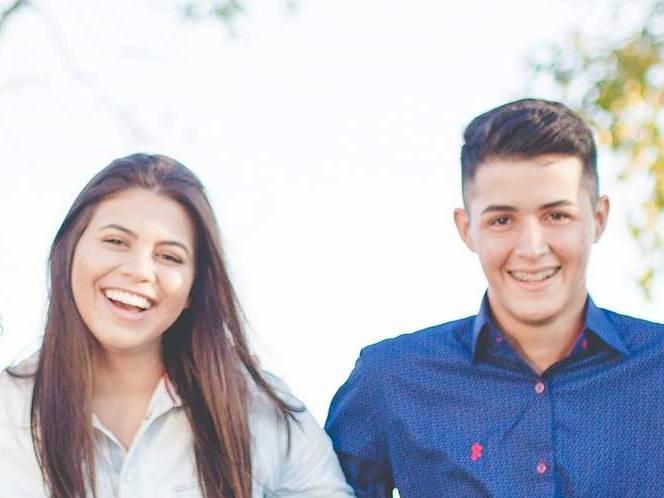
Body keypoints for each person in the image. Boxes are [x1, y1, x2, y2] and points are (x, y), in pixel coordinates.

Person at [325, 98, 664, 497]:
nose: (532, 247)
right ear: (467, 229)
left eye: (556, 215)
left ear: (598, 219)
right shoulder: (390, 380)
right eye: (502, 220)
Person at [0, 154, 354, 498]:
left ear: (193, 288)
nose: (139, 270)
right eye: (116, 241)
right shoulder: (8, 409)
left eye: (169, 256)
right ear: (69, 252)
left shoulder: (261, 411)